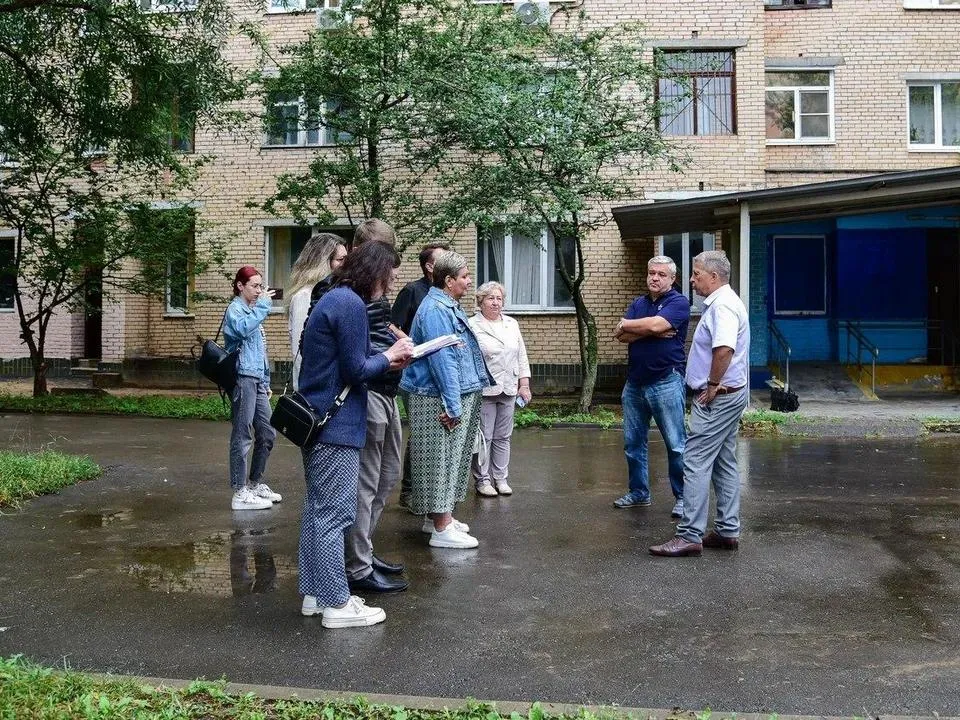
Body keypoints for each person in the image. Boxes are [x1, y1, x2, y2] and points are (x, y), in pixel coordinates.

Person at [296, 241, 414, 627]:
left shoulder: (335, 298)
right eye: (389, 277)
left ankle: (315, 595)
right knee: (335, 514)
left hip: (320, 419)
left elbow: (343, 363)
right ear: (374, 273)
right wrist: (390, 355)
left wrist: (386, 359)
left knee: (318, 512)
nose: (391, 285)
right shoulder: (349, 304)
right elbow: (356, 369)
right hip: (337, 424)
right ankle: (337, 604)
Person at [650, 250, 750, 557]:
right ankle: (727, 531)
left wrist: (712, 384)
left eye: (696, 274)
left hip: (717, 398)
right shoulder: (725, 302)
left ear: (714, 277)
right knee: (724, 462)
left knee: (694, 460)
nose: (692, 280)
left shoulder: (723, 307)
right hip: (729, 394)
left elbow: (724, 349)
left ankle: (689, 535)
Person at [399, 250, 493, 549]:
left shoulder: (444, 305)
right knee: (441, 461)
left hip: (449, 393)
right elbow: (444, 360)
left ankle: (439, 519)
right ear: (449, 281)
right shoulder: (437, 310)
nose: (469, 281)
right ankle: (442, 528)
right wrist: (453, 405)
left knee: (449, 459)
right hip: (437, 397)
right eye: (464, 276)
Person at [344, 219, 409, 594]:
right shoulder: (347, 291)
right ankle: (357, 566)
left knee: (387, 477)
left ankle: (364, 551)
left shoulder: (373, 290)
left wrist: (399, 343)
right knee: (366, 484)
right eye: (384, 258)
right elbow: (355, 349)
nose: (391, 271)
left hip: (386, 390)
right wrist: (390, 354)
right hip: (368, 392)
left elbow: (376, 334)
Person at [612, 255, 690, 518]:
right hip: (635, 383)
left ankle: (683, 498)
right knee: (633, 443)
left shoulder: (679, 302)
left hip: (666, 380)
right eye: (651, 273)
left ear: (672, 278)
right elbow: (621, 336)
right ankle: (638, 493)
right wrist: (649, 329)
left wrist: (629, 324)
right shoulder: (639, 303)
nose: (654, 278)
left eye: (661, 274)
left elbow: (651, 325)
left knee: (676, 444)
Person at [391, 241, 450, 510]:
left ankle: (431, 491)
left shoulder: (445, 292)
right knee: (420, 430)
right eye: (443, 258)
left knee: (435, 430)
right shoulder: (412, 291)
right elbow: (391, 325)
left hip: (438, 369)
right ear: (429, 266)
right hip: (415, 371)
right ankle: (409, 491)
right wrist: (412, 343)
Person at [224, 266, 281, 511]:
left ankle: (255, 484)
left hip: (256, 379)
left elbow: (261, 351)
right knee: (242, 434)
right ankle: (239, 492)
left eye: (260, 286)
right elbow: (242, 329)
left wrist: (266, 381)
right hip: (242, 378)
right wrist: (264, 306)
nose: (259, 291)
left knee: (267, 432)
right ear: (240, 286)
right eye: (254, 286)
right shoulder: (235, 309)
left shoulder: (253, 310)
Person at [468, 281, 532, 497]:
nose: (496, 302)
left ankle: (501, 478)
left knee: (503, 436)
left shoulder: (511, 323)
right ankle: (482, 480)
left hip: (509, 386)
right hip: (485, 389)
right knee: (484, 436)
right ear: (481, 301)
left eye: (499, 298)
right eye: (491, 298)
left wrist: (524, 384)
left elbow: (521, 355)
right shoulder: (472, 325)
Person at [287, 233, 348, 390]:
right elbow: (300, 352)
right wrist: (305, 392)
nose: (345, 265)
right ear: (322, 262)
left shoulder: (333, 293)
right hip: (314, 390)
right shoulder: (304, 296)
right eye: (340, 259)